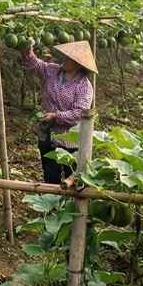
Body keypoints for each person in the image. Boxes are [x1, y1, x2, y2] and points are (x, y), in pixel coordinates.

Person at [20, 40, 96, 185]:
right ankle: (51, 204)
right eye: (66, 56)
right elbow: (36, 65)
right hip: (47, 134)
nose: (65, 60)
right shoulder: (53, 71)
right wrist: (27, 50)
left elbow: (79, 113)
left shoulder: (84, 86)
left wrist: (56, 115)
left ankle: (69, 206)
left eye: (69, 58)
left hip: (70, 139)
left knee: (71, 177)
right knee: (50, 175)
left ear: (78, 64)